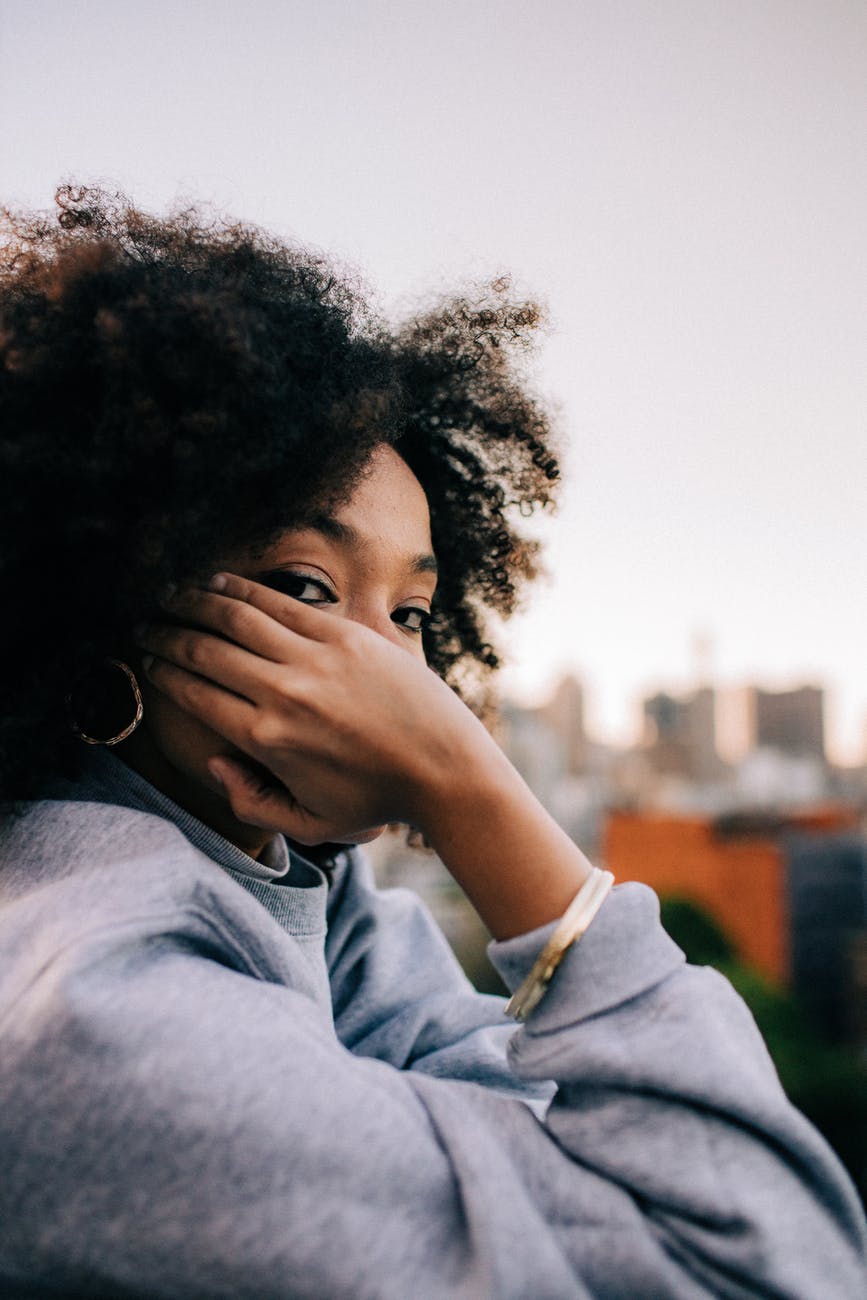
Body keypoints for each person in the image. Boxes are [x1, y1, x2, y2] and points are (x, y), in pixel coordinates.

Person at [0, 187, 863, 1300]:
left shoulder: (310, 897)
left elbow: (574, 1150)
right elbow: (760, 1265)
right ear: (110, 591)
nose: (390, 678)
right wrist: (472, 789)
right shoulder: (99, 1020)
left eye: (409, 615)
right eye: (307, 588)